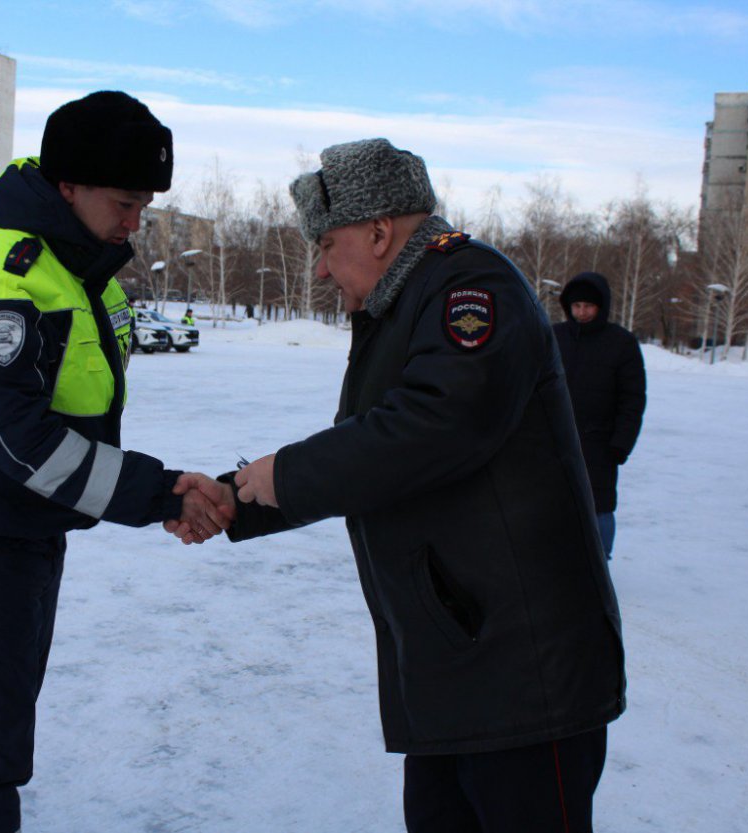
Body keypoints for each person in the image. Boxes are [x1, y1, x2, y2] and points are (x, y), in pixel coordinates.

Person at [170, 139, 625, 833]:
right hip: (456, 671)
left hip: (524, 682)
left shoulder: (473, 289)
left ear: (380, 231)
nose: (320, 269)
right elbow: (372, 459)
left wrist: (277, 476)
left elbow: (433, 427)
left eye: (326, 245)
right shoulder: (401, 304)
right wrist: (240, 499)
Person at [0, 91, 231, 833]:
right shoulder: (6, 279)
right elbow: (21, 441)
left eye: (142, 205)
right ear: (68, 188)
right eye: (123, 202)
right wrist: (163, 494)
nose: (133, 223)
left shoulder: (82, 278)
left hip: (29, 530)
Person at [553, 272, 647, 558]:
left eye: (588, 306)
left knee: (599, 506)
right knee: (554, 502)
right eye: (577, 306)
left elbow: (632, 399)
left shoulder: (621, 343)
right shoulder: (553, 336)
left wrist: (621, 443)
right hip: (554, 438)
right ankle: (556, 560)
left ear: (601, 307)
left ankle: (598, 561)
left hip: (599, 442)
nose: (582, 312)